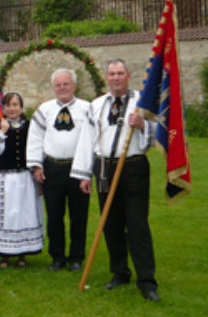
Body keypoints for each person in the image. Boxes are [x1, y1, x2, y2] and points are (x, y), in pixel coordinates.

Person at [71, 59, 159, 301]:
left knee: (137, 224)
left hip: (133, 168)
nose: (116, 77)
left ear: (128, 75)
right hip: (104, 169)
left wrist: (143, 125)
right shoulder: (96, 105)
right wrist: (83, 174)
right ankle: (120, 272)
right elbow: (87, 139)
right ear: (106, 77)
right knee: (110, 223)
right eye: (112, 74)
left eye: (120, 73)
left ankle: (147, 281)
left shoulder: (142, 101)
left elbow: (161, 129)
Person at [26, 69, 91, 272]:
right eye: (58, 85)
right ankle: (57, 257)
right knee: (54, 214)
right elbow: (35, 138)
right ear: (53, 87)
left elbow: (91, 141)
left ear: (74, 86)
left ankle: (76, 258)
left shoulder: (87, 108)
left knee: (78, 215)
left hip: (77, 168)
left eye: (66, 84)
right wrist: (37, 165)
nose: (62, 88)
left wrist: (87, 171)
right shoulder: (44, 110)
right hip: (52, 168)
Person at [0, 92, 44, 269]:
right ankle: (3, 254)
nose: (12, 108)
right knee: (4, 214)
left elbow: (37, 148)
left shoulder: (30, 126)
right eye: (8, 105)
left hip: (24, 177)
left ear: (21, 107)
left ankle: (22, 253)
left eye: (15, 105)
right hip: (2, 178)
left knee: (23, 213)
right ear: (3, 108)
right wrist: (2, 132)